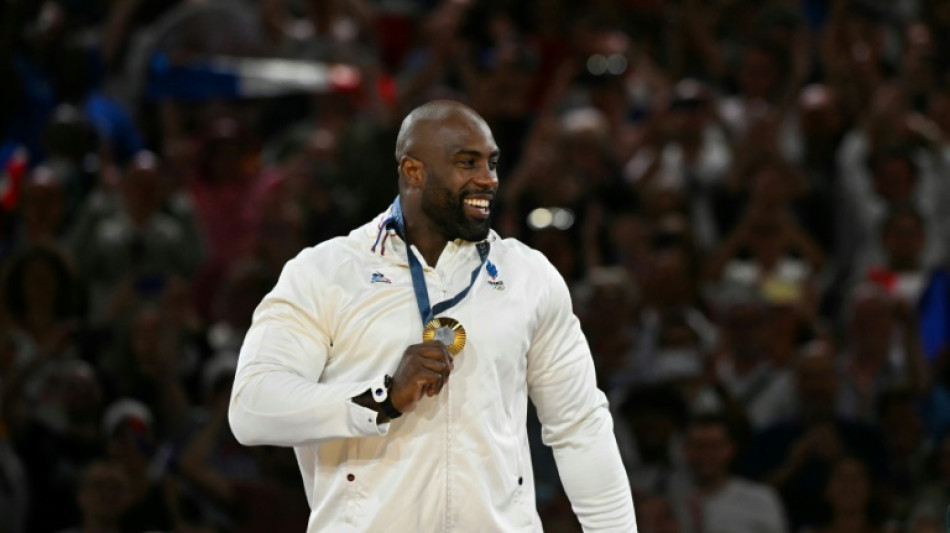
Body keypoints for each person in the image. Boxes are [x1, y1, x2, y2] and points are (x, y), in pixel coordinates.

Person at [228, 100, 638, 532]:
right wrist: (382, 399)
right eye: (468, 163)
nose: (488, 180)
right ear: (413, 171)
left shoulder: (528, 276)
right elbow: (252, 406)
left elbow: (580, 428)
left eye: (492, 163)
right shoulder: (326, 273)